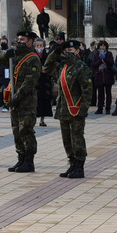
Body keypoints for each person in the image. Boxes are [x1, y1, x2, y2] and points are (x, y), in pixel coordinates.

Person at [43, 39, 94, 178]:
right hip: (63, 109)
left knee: (77, 138)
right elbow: (47, 67)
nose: (67, 53)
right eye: (66, 51)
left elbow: (87, 92)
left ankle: (79, 166)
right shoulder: (62, 67)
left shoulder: (82, 68)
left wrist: (83, 110)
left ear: (78, 51)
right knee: (66, 139)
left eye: (70, 51)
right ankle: (72, 163)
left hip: (76, 109)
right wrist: (56, 51)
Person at [0, 30, 43, 172]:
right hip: (13, 100)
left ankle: (29, 161)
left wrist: (17, 97)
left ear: (30, 42)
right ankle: (20, 158)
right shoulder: (15, 54)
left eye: (23, 39)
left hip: (26, 101)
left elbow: (30, 82)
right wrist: (5, 53)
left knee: (26, 130)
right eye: (18, 39)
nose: (19, 41)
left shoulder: (33, 59)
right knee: (16, 130)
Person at [33, 38, 54, 127]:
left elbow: (51, 66)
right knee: (34, 101)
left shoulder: (47, 56)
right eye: (37, 45)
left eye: (41, 45)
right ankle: (33, 120)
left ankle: (42, 120)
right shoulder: (32, 55)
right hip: (35, 82)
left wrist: (47, 70)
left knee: (45, 100)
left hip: (45, 81)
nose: (39, 47)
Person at [91, 40, 115, 114]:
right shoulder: (96, 54)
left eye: (104, 46)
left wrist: (105, 59)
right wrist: (100, 60)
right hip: (99, 76)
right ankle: (100, 108)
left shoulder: (109, 54)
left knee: (108, 93)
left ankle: (108, 108)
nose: (102, 47)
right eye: (101, 46)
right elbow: (93, 64)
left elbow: (111, 63)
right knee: (100, 94)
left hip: (108, 76)